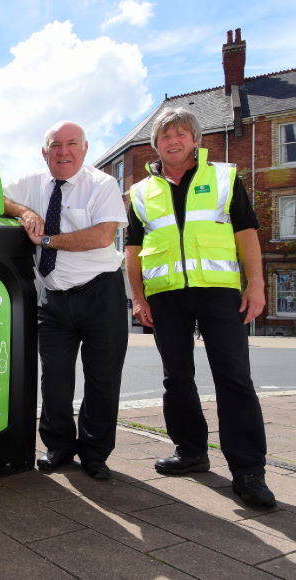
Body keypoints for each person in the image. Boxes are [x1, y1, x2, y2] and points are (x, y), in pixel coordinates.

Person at [125, 107, 275, 506]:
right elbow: (133, 250)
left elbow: (246, 233)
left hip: (218, 290)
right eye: (164, 135)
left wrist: (256, 285)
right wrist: (138, 299)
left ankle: (248, 471)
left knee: (234, 377)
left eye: (180, 133)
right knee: (177, 376)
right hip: (166, 296)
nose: (172, 140)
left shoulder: (224, 177)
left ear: (195, 140)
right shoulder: (141, 192)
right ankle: (191, 452)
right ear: (154, 144)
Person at [3, 121, 129, 480]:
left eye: (72, 144)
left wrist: (46, 241)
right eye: (55, 145)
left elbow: (104, 235)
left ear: (85, 149)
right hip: (54, 298)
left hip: (100, 292)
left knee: (102, 378)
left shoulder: (102, 184)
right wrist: (24, 212)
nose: (63, 151)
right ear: (45, 153)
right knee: (54, 379)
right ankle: (58, 445)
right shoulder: (32, 182)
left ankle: (94, 452)